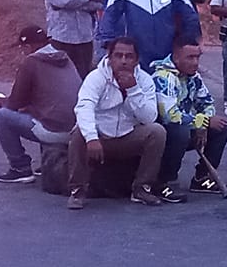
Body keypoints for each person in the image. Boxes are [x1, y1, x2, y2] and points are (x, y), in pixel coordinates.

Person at [68, 35, 168, 210]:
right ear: (109, 57)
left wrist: (133, 89)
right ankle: (78, 190)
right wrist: (92, 138)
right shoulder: (96, 77)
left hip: (127, 136)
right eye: (118, 55)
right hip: (100, 137)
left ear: (136, 60)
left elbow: (149, 117)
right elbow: (84, 106)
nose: (123, 61)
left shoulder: (145, 80)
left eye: (128, 56)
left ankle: (141, 189)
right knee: (78, 133)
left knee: (157, 132)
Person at [0, 26, 81, 183]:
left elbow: (15, 103)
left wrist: (3, 102)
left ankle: (20, 168)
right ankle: (48, 162)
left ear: (28, 46)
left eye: (23, 48)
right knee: (41, 109)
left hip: (55, 130)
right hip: (78, 130)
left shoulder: (31, 62)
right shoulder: (65, 58)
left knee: (3, 116)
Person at [151, 38, 227, 200]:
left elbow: (207, 102)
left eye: (197, 57)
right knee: (180, 131)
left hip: (187, 126)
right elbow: (170, 116)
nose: (195, 62)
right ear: (176, 57)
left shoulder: (194, 76)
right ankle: (163, 183)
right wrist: (203, 121)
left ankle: (201, 178)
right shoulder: (163, 78)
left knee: (221, 127)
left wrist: (204, 123)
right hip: (163, 134)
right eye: (190, 58)